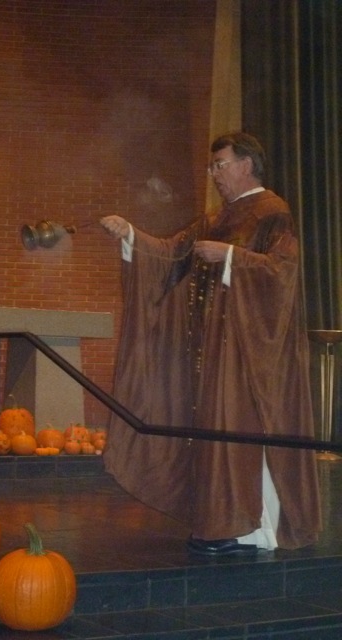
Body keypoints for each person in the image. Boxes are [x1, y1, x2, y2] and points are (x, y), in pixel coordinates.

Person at [100, 132, 321, 555]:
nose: (214, 174)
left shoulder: (272, 211)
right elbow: (170, 254)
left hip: (248, 354)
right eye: (212, 167)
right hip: (212, 353)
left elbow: (282, 273)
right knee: (213, 432)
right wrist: (130, 233)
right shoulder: (217, 218)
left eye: (220, 165)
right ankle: (219, 520)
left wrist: (231, 257)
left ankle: (253, 529)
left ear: (246, 165)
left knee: (239, 431)